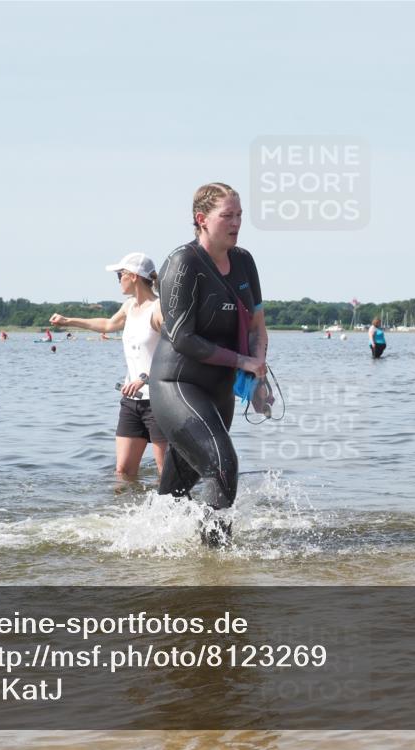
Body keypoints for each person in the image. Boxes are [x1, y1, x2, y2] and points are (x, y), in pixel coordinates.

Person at [150, 182, 268, 545]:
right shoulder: (183, 263)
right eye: (227, 216)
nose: (236, 223)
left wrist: (257, 378)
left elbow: (257, 328)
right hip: (177, 384)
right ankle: (215, 560)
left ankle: (147, 542)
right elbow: (183, 337)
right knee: (222, 466)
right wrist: (242, 360)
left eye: (240, 215)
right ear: (202, 219)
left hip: (219, 391)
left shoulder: (245, 262)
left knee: (176, 490)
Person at [49, 253, 166, 480]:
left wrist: (145, 377)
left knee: (166, 473)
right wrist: (68, 321)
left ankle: (177, 514)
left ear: (132, 276)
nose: (118, 280)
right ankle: (124, 513)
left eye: (119, 275)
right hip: (131, 402)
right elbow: (108, 324)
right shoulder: (129, 306)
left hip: (160, 401)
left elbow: (174, 351)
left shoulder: (159, 308)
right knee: (122, 471)